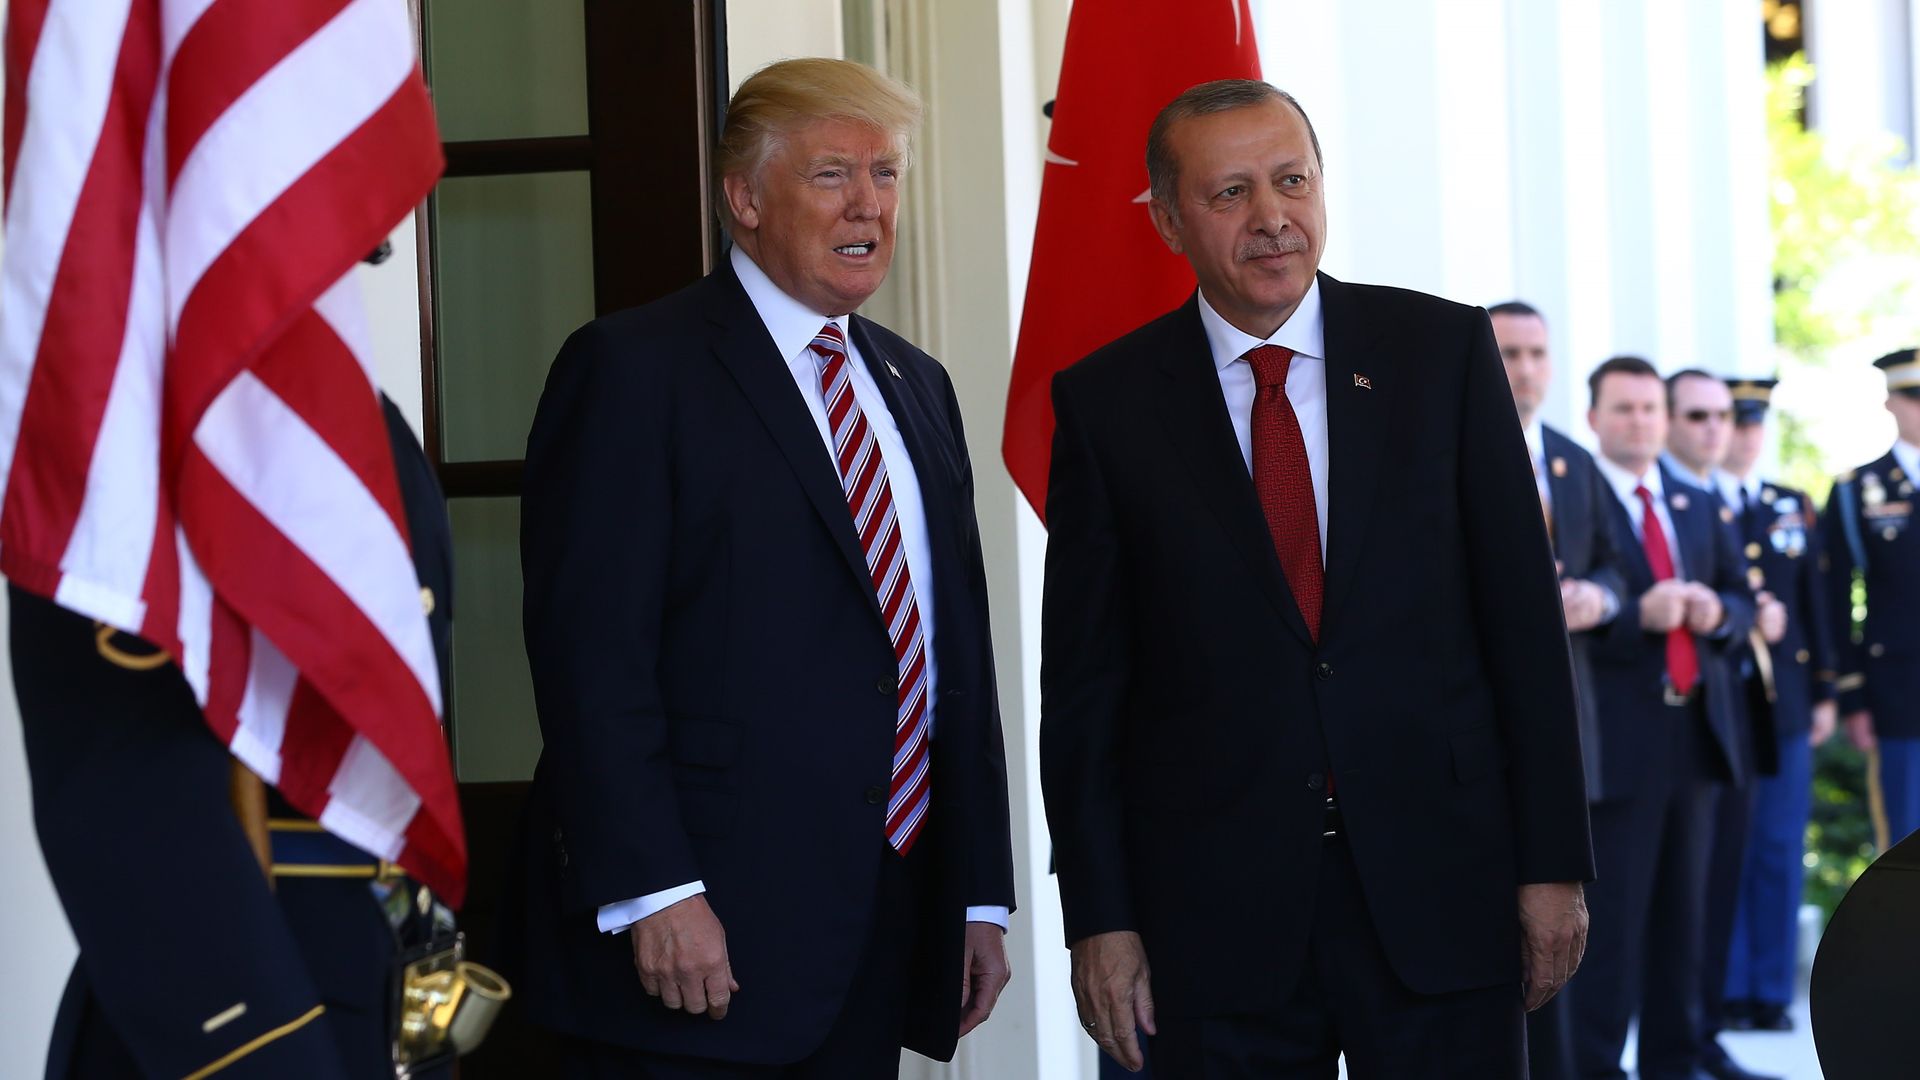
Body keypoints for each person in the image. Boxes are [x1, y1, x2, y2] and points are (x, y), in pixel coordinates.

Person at [1040, 80, 1594, 1080]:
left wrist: (1555, 865)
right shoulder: (1106, 404)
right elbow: (1085, 690)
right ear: (1167, 218)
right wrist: (1101, 917)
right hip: (1212, 919)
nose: (1272, 219)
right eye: (1231, 194)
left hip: (1442, 887)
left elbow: (1522, 626)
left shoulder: (1442, 353)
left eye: (1292, 181)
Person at [505, 58, 1016, 1078]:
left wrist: (977, 893)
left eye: (884, 173)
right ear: (744, 198)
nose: (868, 203)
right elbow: (589, 655)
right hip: (698, 947)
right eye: (832, 174)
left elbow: (952, 651)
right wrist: (654, 889)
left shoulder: (919, 387)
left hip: (879, 932)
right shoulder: (633, 370)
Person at [14, 398, 455, 1079]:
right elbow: (123, 798)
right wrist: (255, 1044)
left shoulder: (362, 407)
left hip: (373, 977)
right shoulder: (131, 409)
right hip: (236, 1014)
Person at [1567, 357, 1756, 1080]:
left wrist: (1720, 614)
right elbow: (1567, 612)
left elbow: (1740, 595)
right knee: (1611, 923)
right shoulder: (1574, 498)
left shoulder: (1696, 502)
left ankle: (1677, 1061)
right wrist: (1633, 618)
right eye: (1624, 409)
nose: (1640, 421)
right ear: (1594, 418)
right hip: (1617, 740)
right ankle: (1595, 1067)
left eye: (1651, 408)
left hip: (1697, 735)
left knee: (1687, 917)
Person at [1490, 300, 1629, 1080]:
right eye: (1508, 353)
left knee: (1568, 929)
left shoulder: (1575, 463)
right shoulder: (1440, 446)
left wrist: (1596, 600)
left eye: (1537, 353)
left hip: (1571, 730)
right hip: (1480, 738)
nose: (1524, 369)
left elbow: (1616, 568)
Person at [1660, 370, 1786, 1080]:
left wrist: (1727, 614)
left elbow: (1741, 598)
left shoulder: (1713, 502)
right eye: (1700, 415)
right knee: (1668, 906)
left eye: (1723, 417)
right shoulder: (1636, 490)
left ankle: (1699, 1040)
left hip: (1725, 731)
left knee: (1710, 896)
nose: (1717, 429)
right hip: (1655, 728)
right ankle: (1675, 1044)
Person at [1716, 377, 1836, 1042]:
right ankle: (1728, 986)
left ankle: (1769, 989)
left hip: (1786, 705)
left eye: (1754, 422)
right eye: (1735, 421)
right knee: (1727, 847)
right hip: (1724, 705)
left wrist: (1824, 689)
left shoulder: (1791, 505)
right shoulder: (1701, 500)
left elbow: (1817, 605)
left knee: (1779, 847)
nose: (1743, 434)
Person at [1822, 348, 1920, 847]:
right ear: (1890, 402)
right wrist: (1853, 694)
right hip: (1898, 692)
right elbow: (1837, 601)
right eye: (1914, 396)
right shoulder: (1856, 490)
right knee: (1904, 844)